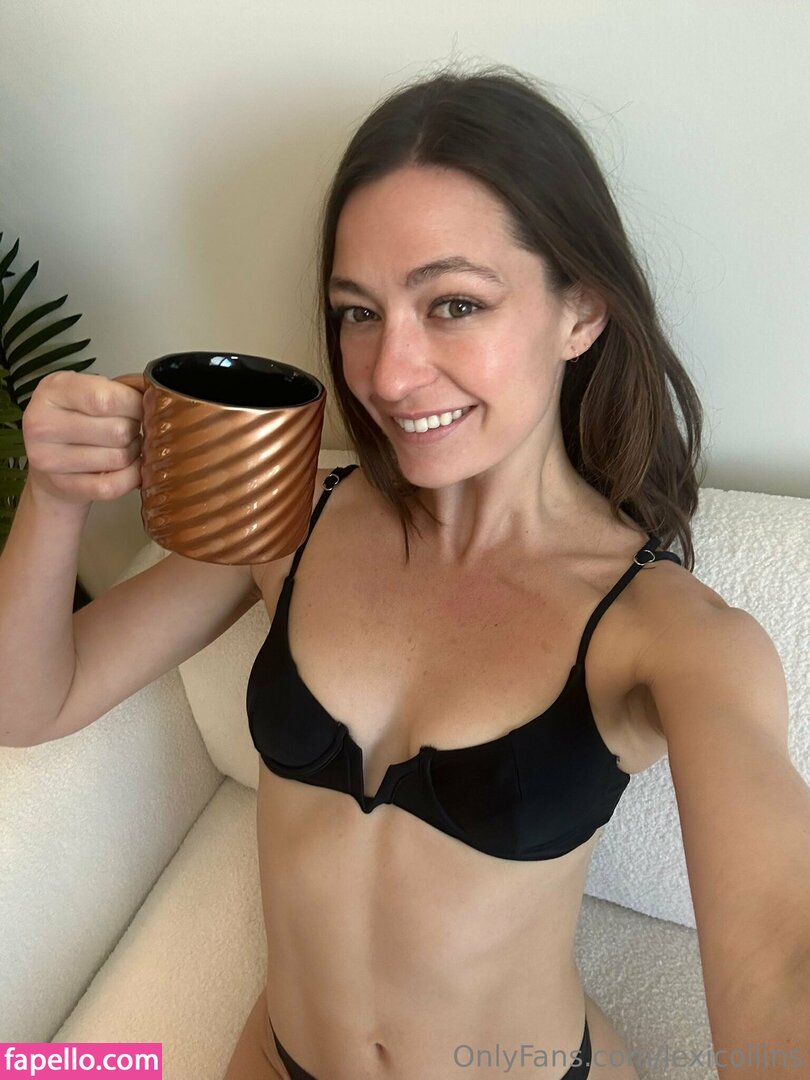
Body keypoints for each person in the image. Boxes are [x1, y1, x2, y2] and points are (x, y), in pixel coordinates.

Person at [2, 64, 808, 1079]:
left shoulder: (671, 635)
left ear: (581, 311)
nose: (386, 375)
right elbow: (31, 702)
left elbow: (781, 958)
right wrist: (57, 498)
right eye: (358, 312)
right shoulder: (288, 518)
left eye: (455, 303)